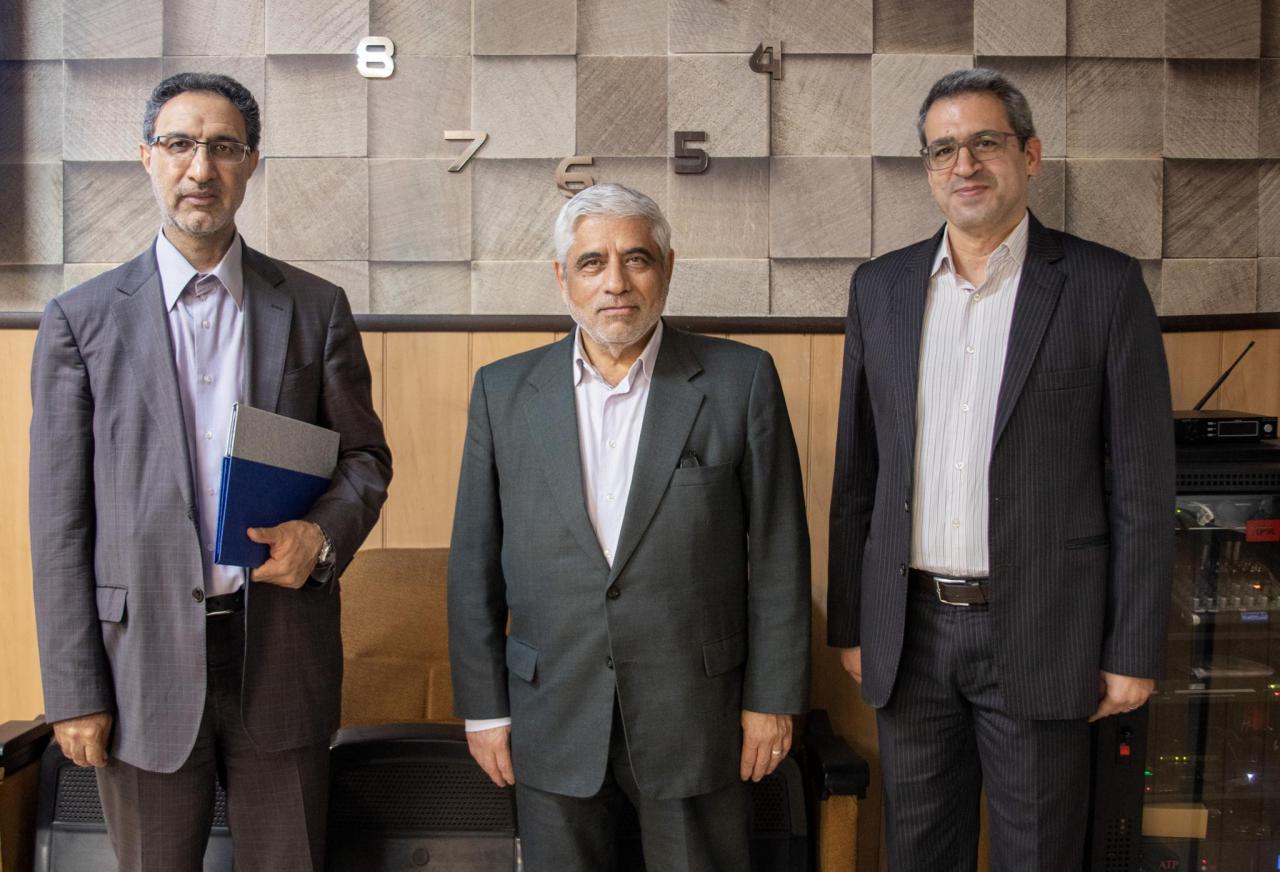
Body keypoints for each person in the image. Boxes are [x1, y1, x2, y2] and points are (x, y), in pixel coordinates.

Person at [29, 72, 391, 872]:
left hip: (281, 653)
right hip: (137, 669)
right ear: (147, 158)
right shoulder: (80, 321)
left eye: (224, 147)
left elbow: (365, 458)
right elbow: (58, 522)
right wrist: (74, 691)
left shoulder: (315, 307)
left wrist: (321, 537)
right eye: (180, 144)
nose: (202, 168)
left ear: (252, 162)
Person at [827, 68, 1174, 871]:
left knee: (1039, 854)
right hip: (909, 631)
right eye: (943, 149)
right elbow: (858, 475)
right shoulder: (880, 288)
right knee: (919, 852)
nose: (965, 164)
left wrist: (1132, 648)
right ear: (927, 168)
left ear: (1030, 155)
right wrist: (853, 622)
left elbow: (1143, 487)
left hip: (1046, 628)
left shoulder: (1103, 285)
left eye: (985, 142)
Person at [447, 182, 810, 871]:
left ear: (666, 268)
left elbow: (780, 554)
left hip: (695, 711)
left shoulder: (741, 380)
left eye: (636, 258)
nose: (615, 282)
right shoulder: (502, 391)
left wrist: (773, 699)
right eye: (592, 262)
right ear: (562, 277)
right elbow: (473, 562)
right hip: (551, 707)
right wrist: (484, 708)